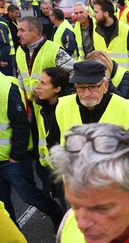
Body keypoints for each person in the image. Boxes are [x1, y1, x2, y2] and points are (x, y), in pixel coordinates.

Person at [0, 71, 64, 232]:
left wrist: (16, 155)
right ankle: (13, 234)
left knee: (29, 196)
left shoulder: (6, 87)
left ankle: (57, 214)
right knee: (3, 204)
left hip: (11, 160)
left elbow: (21, 123)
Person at [47, 61, 129, 147]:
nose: (87, 94)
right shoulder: (63, 106)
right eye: (81, 87)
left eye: (93, 87)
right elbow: (52, 143)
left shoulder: (124, 108)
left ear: (105, 86)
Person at [33, 67, 71, 210]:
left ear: (57, 89)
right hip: (51, 166)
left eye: (43, 83)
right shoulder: (42, 107)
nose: (38, 87)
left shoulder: (67, 109)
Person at [16, 16, 75, 100]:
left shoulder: (54, 50)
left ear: (35, 32)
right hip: (32, 106)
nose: (18, 34)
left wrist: (62, 95)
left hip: (52, 108)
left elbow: (75, 71)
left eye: (22, 30)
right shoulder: (20, 50)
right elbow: (22, 76)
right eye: (18, 30)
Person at [93, 0, 129, 79]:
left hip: (123, 79)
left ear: (106, 14)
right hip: (103, 80)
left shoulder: (126, 30)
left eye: (96, 12)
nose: (93, 15)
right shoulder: (95, 31)